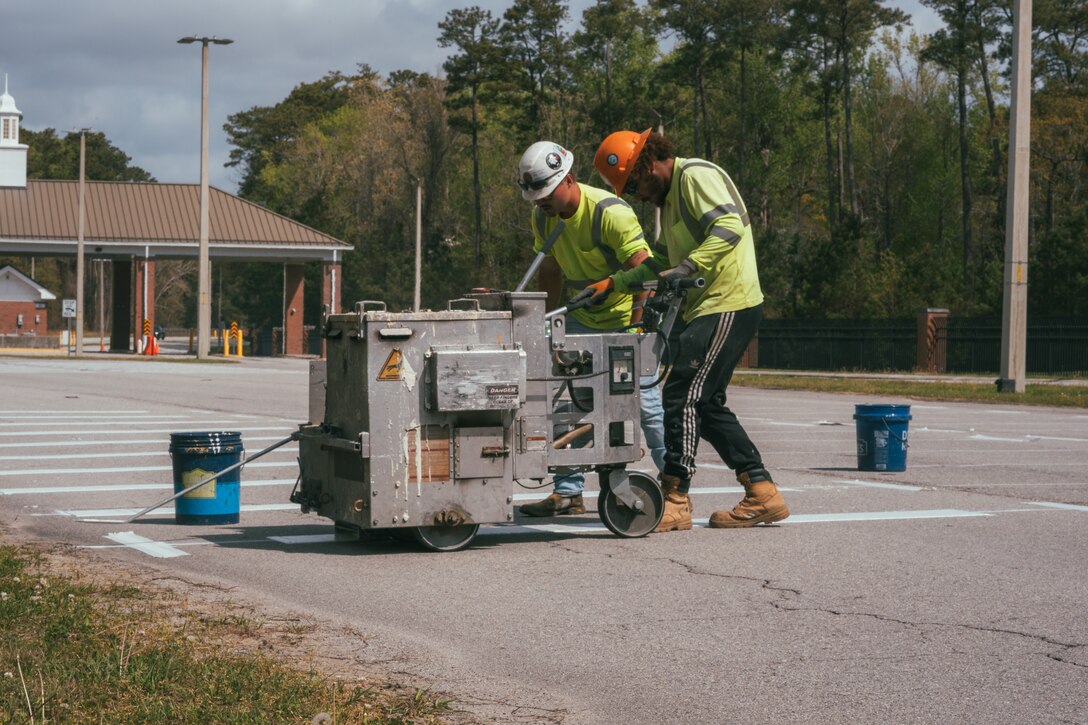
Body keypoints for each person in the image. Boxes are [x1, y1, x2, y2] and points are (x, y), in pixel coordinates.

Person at [587, 129, 789, 532]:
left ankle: (676, 497)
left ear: (648, 166)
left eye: (634, 187)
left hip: (729, 301)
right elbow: (660, 261)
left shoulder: (694, 176)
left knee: (681, 393)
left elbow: (729, 227)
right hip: (709, 306)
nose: (637, 197)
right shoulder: (670, 204)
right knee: (706, 404)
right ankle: (762, 492)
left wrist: (688, 266)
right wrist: (614, 283)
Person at [515, 140, 667, 517]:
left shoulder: (610, 213)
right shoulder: (543, 218)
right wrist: (545, 324)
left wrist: (637, 329)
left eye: (547, 193)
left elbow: (645, 271)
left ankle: (675, 486)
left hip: (625, 321)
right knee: (566, 403)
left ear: (569, 179)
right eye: (536, 196)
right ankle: (568, 494)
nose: (541, 201)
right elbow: (550, 271)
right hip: (581, 317)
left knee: (646, 407)